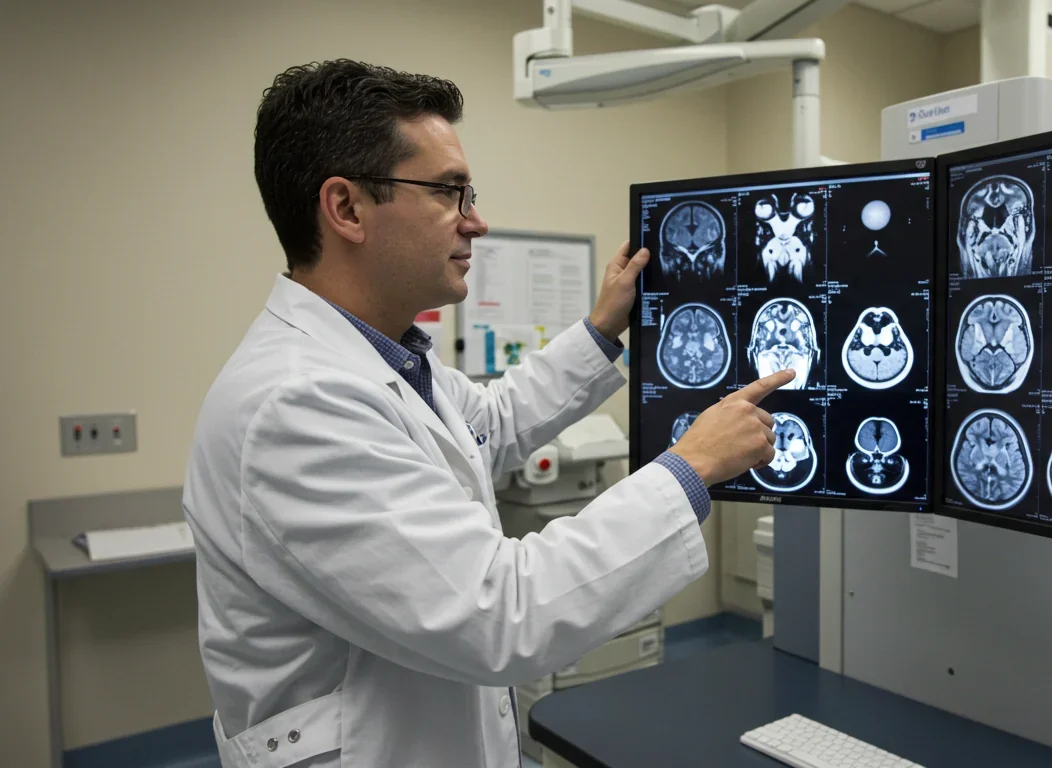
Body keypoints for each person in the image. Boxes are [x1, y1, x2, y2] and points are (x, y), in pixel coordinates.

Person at [182, 59, 793, 768]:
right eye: (449, 192)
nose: (478, 220)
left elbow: (491, 424)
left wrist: (601, 331)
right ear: (346, 208)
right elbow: (499, 612)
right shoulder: (295, 404)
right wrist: (689, 468)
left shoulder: (388, 359)